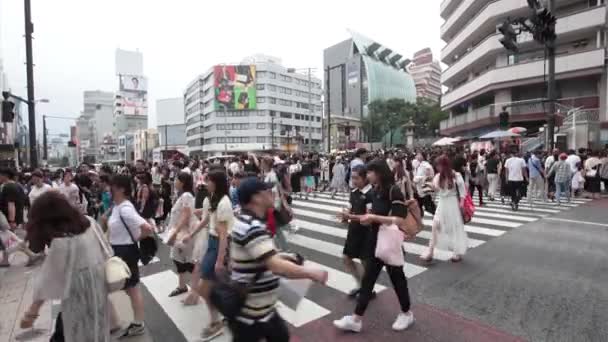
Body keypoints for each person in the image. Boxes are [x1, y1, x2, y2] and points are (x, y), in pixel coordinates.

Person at [228, 177, 328, 342]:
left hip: (263, 308)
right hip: (251, 313)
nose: (272, 193)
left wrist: (281, 255)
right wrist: (311, 273)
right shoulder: (252, 226)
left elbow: (257, 256)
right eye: (267, 191)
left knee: (281, 337)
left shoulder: (247, 221)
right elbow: (275, 266)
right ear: (256, 197)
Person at [334, 159, 414, 333]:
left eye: (370, 172)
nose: (367, 175)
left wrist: (374, 219)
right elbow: (368, 216)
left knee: (397, 279)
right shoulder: (375, 191)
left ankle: (406, 313)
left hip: (390, 241)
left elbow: (399, 218)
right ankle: (356, 319)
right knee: (368, 280)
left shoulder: (393, 190)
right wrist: (350, 217)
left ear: (378, 173)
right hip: (375, 241)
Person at [22, 191, 110, 342]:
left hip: (77, 295)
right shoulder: (90, 222)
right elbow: (106, 251)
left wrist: (32, 312)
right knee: (96, 328)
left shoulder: (62, 242)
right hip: (98, 287)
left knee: (76, 332)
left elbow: (48, 280)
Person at [187, 170, 234, 341]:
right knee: (214, 286)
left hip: (219, 245)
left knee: (206, 288)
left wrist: (220, 260)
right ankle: (220, 318)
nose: (205, 183)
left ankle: (217, 321)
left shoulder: (224, 203)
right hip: (213, 243)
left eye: (209, 181)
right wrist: (191, 235)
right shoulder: (213, 198)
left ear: (216, 183)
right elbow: (206, 220)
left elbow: (223, 235)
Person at [107, 175, 154, 338]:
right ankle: (128, 321)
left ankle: (138, 323)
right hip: (119, 250)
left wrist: (134, 239)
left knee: (133, 288)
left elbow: (147, 228)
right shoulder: (118, 206)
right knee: (129, 288)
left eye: (111, 186)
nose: (109, 189)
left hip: (126, 251)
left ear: (120, 189)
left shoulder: (125, 208)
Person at [421, 155, 467, 263]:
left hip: (452, 202)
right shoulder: (438, 176)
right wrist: (429, 185)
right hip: (442, 202)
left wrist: (461, 202)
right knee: (435, 226)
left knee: (453, 228)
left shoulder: (456, 175)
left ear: (444, 165)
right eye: (437, 165)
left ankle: (457, 252)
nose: (437, 167)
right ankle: (430, 252)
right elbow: (436, 190)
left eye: (439, 165)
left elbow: (462, 189)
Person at [337, 165, 373, 298]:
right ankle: (361, 285)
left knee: (365, 262)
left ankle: (367, 290)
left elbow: (368, 218)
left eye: (356, 178)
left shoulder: (370, 194)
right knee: (347, 258)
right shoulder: (354, 192)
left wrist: (350, 217)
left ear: (365, 178)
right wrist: (345, 215)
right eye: (352, 178)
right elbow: (351, 208)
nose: (353, 181)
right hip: (354, 231)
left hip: (367, 233)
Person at [167, 172, 200, 298]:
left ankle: (201, 288)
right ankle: (182, 286)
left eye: (176, 179)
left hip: (183, 233)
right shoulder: (182, 195)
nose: (174, 181)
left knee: (188, 263)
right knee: (179, 260)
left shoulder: (186, 195)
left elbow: (186, 215)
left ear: (182, 182)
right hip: (181, 232)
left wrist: (175, 232)